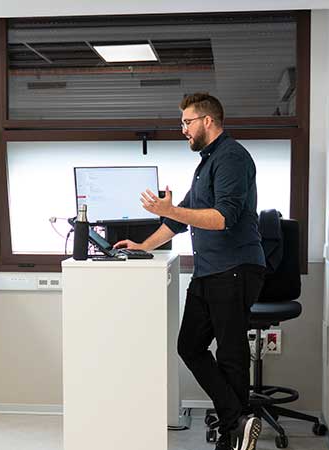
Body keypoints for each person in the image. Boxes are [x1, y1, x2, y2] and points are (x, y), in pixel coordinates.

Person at [112, 92, 264, 450]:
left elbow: (223, 218)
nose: (183, 129)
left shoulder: (231, 158)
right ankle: (237, 420)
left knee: (230, 354)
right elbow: (179, 219)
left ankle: (234, 437)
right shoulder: (207, 163)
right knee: (190, 346)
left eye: (187, 122)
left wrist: (174, 212)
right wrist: (142, 246)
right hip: (210, 271)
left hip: (235, 269)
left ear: (207, 121)